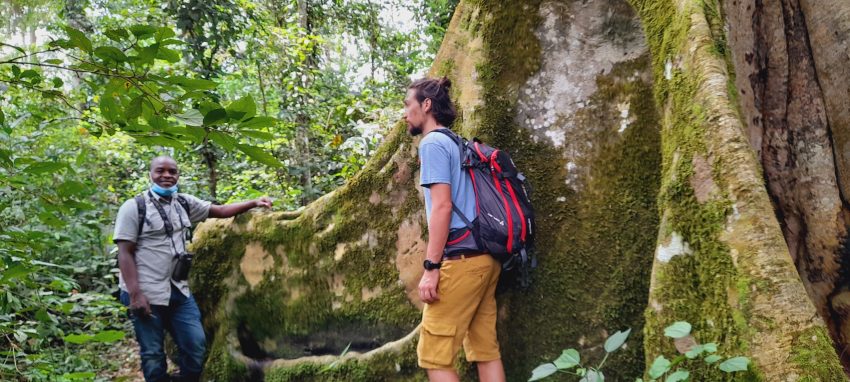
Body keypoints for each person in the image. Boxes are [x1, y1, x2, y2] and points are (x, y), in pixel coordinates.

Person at [113, 156, 272, 382]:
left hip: (178, 290)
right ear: (150, 174)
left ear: (178, 175)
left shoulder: (184, 203)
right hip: (145, 291)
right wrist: (136, 295)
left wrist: (254, 202)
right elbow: (125, 252)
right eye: (161, 171)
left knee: (195, 344)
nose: (167, 175)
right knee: (152, 354)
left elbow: (221, 210)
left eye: (172, 171)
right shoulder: (134, 207)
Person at [404, 77, 506, 382]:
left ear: (426, 105)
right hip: (486, 260)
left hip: (460, 262)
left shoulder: (433, 143)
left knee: (434, 355)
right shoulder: (457, 142)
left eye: (408, 105)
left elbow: (443, 207)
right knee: (485, 350)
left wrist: (431, 266)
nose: (405, 113)